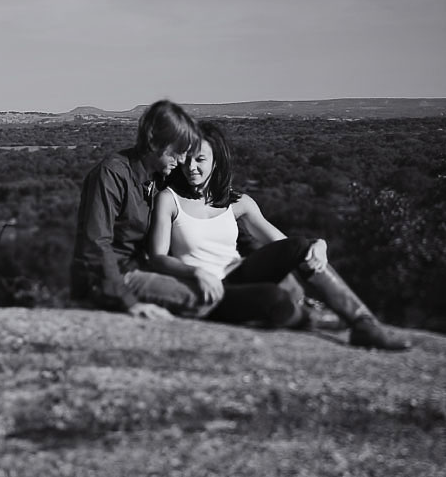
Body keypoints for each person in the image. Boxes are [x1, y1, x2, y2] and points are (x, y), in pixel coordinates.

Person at [146, 121, 411, 350]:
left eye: (200, 159)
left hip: (240, 274)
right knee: (272, 297)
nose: (191, 166)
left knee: (300, 246)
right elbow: (158, 257)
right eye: (187, 158)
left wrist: (319, 245)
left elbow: (286, 247)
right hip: (208, 291)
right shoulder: (169, 200)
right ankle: (315, 319)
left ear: (216, 161)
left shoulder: (239, 203)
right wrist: (196, 273)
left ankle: (364, 324)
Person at [70, 100, 215, 319]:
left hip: (141, 266)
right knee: (198, 299)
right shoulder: (112, 174)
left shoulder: (159, 177)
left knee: (213, 286)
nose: (182, 160)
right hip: (111, 276)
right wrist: (130, 303)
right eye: (177, 152)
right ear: (154, 143)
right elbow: (96, 244)